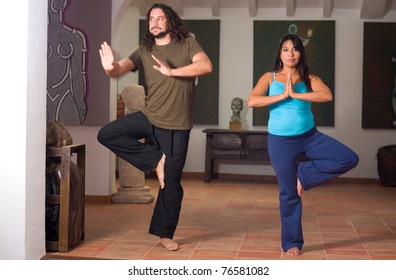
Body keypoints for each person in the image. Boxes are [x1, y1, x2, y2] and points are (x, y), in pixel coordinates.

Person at [97, 3, 212, 251]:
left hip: (177, 125)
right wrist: (110, 68)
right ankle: (155, 160)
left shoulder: (188, 44)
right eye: (151, 19)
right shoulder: (143, 50)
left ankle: (164, 234)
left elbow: (206, 66)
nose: (155, 22)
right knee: (108, 133)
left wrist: (173, 72)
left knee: (170, 182)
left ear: (170, 21)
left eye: (160, 18)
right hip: (150, 117)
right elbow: (120, 67)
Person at [247, 34, 359, 256]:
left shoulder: (310, 78)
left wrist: (296, 94)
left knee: (349, 158)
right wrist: (282, 96)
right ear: (280, 53)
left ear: (300, 53)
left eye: (295, 49)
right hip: (280, 142)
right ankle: (292, 243)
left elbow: (327, 96)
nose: (290, 53)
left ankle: (304, 174)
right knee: (288, 194)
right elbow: (252, 101)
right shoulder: (269, 78)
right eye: (286, 49)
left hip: (309, 137)